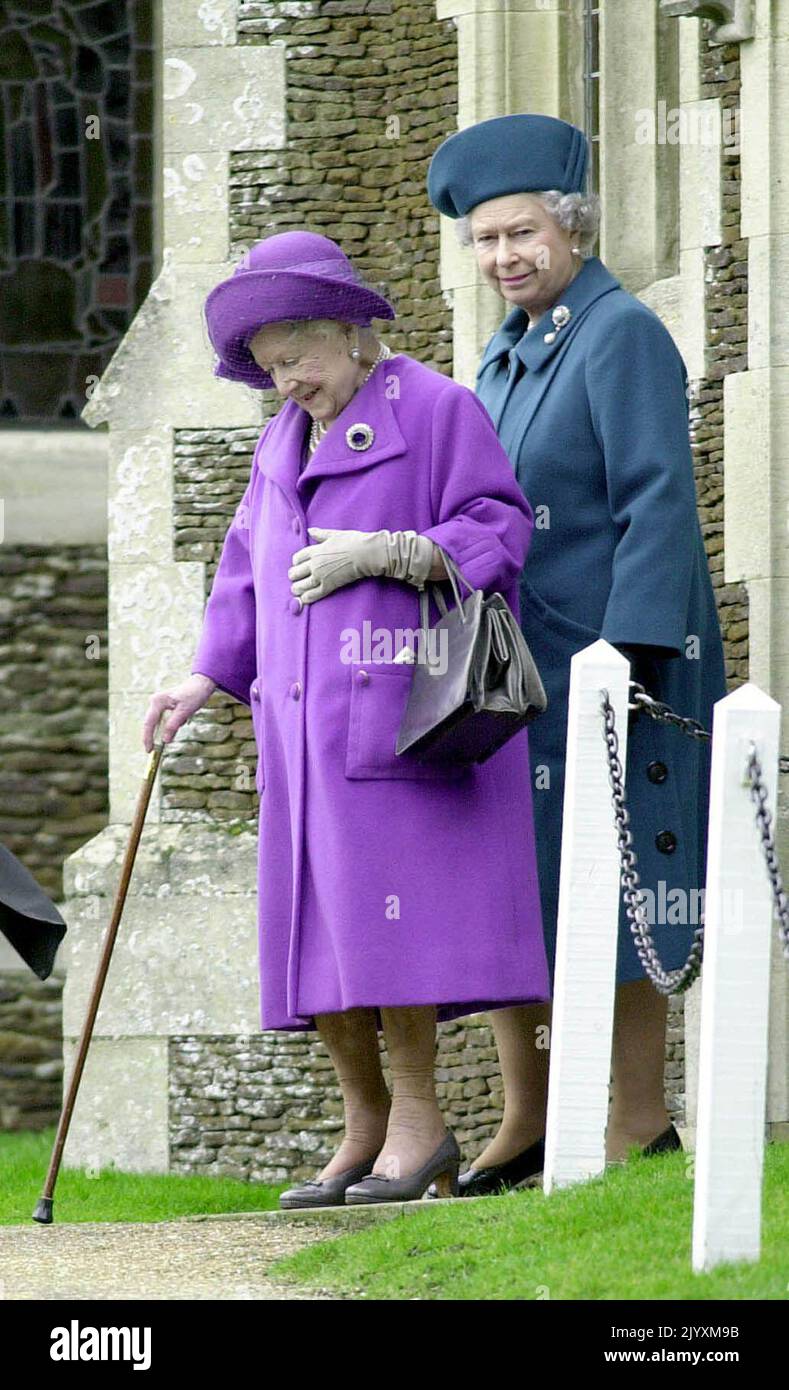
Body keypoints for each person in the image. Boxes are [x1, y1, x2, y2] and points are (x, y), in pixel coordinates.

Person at [142, 230, 550, 1207]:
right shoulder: (279, 443)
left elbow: (503, 527)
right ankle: (364, 1123)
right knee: (318, 931)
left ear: (351, 332)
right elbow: (242, 572)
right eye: (271, 368)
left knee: (387, 928)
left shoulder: (436, 408)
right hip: (300, 737)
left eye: (296, 358)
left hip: (402, 729)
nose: (285, 381)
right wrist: (203, 679)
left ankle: (419, 1127)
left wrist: (394, 551)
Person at [425, 113, 728, 1196]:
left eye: (519, 234)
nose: (504, 256)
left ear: (570, 226)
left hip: (617, 666)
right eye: (484, 240)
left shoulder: (619, 333)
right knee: (523, 892)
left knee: (628, 892)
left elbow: (660, 504)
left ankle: (639, 1125)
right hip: (515, 678)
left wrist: (632, 659)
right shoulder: (502, 356)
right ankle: (532, 1119)